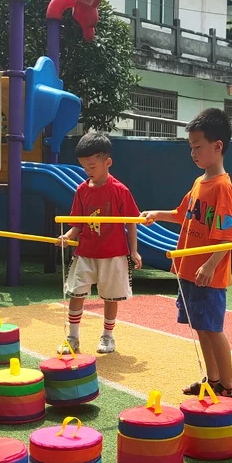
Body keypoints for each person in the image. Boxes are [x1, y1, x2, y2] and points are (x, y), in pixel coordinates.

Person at [142, 108, 232, 398]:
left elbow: (228, 235)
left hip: (207, 275)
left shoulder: (222, 187)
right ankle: (213, 379)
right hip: (189, 271)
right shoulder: (199, 183)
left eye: (198, 147)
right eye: (191, 147)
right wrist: (157, 214)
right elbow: (182, 214)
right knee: (200, 327)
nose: (193, 153)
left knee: (213, 329)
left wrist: (210, 265)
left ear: (217, 146)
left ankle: (229, 386)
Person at [57, 132, 142, 355]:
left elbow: (131, 222)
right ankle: (72, 338)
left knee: (110, 296)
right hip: (85, 252)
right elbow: (77, 223)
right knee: (76, 292)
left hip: (113, 254)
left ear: (108, 162)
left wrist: (134, 251)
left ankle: (107, 336)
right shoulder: (81, 190)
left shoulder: (120, 190)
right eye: (85, 167)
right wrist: (68, 236)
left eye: (92, 166)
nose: (88, 171)